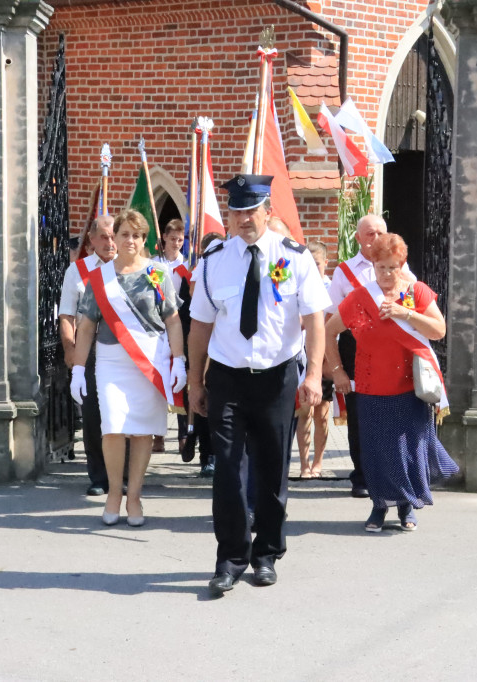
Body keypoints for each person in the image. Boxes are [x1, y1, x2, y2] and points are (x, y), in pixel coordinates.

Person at [188, 173, 329, 597]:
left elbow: (314, 320)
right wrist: (195, 380)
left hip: (277, 375)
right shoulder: (213, 262)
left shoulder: (297, 258)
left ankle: (266, 553)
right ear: (228, 216)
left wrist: (315, 373)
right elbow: (199, 327)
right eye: (237, 211)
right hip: (228, 377)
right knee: (228, 470)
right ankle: (230, 557)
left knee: (272, 469)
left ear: (268, 211)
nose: (245, 218)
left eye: (252, 210)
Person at [325, 233, 458, 532]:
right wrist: (338, 371)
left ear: (402, 265)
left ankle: (407, 507)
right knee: (376, 451)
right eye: (380, 267)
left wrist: (406, 313)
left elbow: (439, 330)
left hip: (410, 388)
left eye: (392, 267)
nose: (386, 274)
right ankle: (379, 505)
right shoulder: (360, 298)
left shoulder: (417, 292)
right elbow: (328, 331)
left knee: (410, 449)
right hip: (371, 388)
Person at [72, 209, 185, 527]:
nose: (130, 240)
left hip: (148, 360)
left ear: (143, 239)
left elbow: (172, 320)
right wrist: (78, 369)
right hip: (111, 361)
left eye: (136, 235)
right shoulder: (99, 278)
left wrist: (180, 361)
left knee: (141, 431)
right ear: (115, 238)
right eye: (124, 234)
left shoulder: (158, 275)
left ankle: (134, 495)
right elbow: (86, 325)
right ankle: (113, 493)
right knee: (112, 427)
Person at [326, 215, 415, 497]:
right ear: (358, 238)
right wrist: (335, 368)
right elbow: (331, 318)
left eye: (380, 232)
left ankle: (396, 476)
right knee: (359, 413)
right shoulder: (344, 271)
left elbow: (416, 302)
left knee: (395, 411)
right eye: (370, 234)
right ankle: (362, 476)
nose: (375, 238)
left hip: (394, 348)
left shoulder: (402, 268)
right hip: (356, 344)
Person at [60, 216, 117, 496]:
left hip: (123, 349)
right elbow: (67, 314)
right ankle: (99, 476)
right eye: (104, 237)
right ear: (92, 240)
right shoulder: (78, 270)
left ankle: (123, 475)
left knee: (121, 413)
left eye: (114, 236)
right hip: (90, 348)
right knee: (93, 415)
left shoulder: (131, 267)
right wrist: (71, 349)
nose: (110, 242)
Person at [181, 231, 223, 476]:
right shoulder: (197, 286)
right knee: (204, 405)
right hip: (203, 351)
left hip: (223, 352)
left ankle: (216, 454)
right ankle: (207, 455)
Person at [154, 219, 193, 453]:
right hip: (156, 327)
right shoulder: (153, 265)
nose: (177, 243)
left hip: (180, 327)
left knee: (179, 380)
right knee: (158, 380)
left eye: (181, 239)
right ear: (164, 239)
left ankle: (182, 435)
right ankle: (157, 435)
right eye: (173, 239)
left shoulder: (187, 267)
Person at [297, 240, 333, 478]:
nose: (313, 267)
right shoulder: (299, 284)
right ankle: (303, 463)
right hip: (301, 355)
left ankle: (318, 462)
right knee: (303, 412)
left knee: (321, 413)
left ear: (326, 264)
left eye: (317, 263)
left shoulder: (331, 287)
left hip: (324, 358)